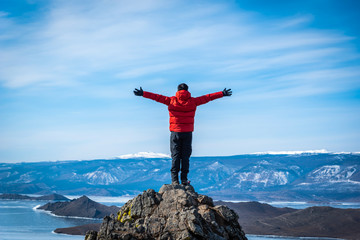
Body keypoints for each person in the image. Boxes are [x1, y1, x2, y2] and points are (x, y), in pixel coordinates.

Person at [134, 83, 232, 185]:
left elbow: (157, 97)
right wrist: (222, 93)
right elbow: (207, 98)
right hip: (187, 133)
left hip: (175, 133)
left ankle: (175, 180)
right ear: (187, 90)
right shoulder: (193, 101)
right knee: (185, 157)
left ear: (178, 90)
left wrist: (143, 93)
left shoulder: (171, 101)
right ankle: (184, 180)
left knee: (175, 156)